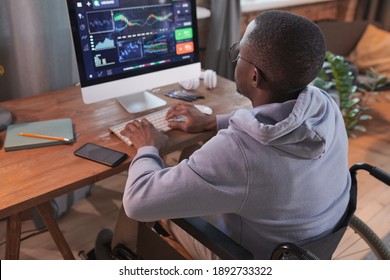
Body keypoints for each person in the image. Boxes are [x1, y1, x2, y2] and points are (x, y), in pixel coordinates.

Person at [109, 10, 351, 259]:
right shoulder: (324, 104)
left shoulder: (238, 152)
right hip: (310, 244)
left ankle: (119, 253)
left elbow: (137, 202)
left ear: (254, 76)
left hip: (252, 256)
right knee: (192, 153)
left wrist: (148, 147)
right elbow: (279, 125)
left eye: (239, 53)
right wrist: (211, 122)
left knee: (144, 188)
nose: (235, 59)